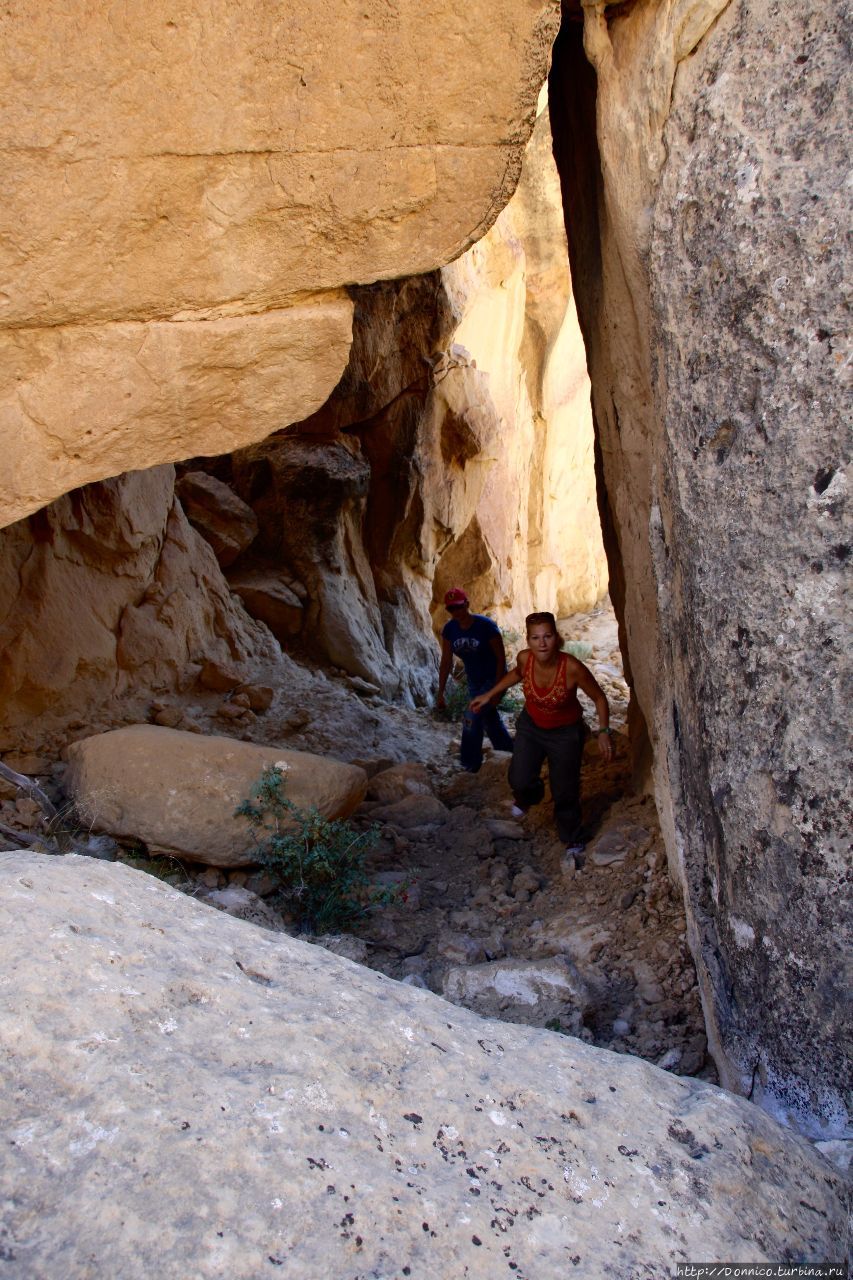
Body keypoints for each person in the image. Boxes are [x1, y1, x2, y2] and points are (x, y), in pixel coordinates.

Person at [470, 611, 613, 854]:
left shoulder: (572, 668)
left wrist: (603, 731)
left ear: (556, 638)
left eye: (547, 636)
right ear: (528, 640)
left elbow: (599, 698)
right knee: (519, 778)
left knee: (564, 789)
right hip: (531, 725)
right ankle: (529, 797)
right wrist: (489, 695)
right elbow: (516, 674)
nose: (542, 643)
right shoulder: (525, 659)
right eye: (536, 638)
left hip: (566, 733)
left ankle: (572, 836)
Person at [436, 588, 514, 773]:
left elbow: (501, 659)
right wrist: (440, 692)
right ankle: (509, 752)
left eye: (459, 607)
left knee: (472, 715)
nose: (456, 612)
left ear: (467, 604)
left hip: (493, 678)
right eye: (451, 609)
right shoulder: (450, 629)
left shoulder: (486, 626)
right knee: (489, 719)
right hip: (474, 682)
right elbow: (446, 661)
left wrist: (495, 691)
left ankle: (470, 764)